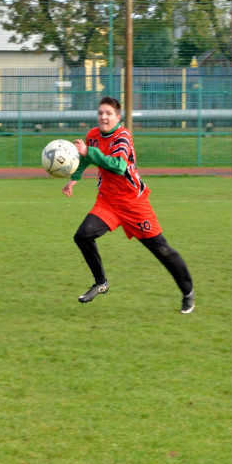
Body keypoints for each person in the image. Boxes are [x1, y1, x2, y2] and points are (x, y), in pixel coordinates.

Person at [62, 96, 195, 314]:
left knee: (162, 250)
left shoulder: (122, 136)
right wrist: (74, 178)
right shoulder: (93, 136)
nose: (103, 117)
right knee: (83, 236)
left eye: (108, 113)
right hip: (107, 201)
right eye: (100, 113)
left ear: (117, 117)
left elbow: (117, 165)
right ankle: (101, 282)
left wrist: (89, 152)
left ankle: (188, 293)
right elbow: (85, 158)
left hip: (134, 203)